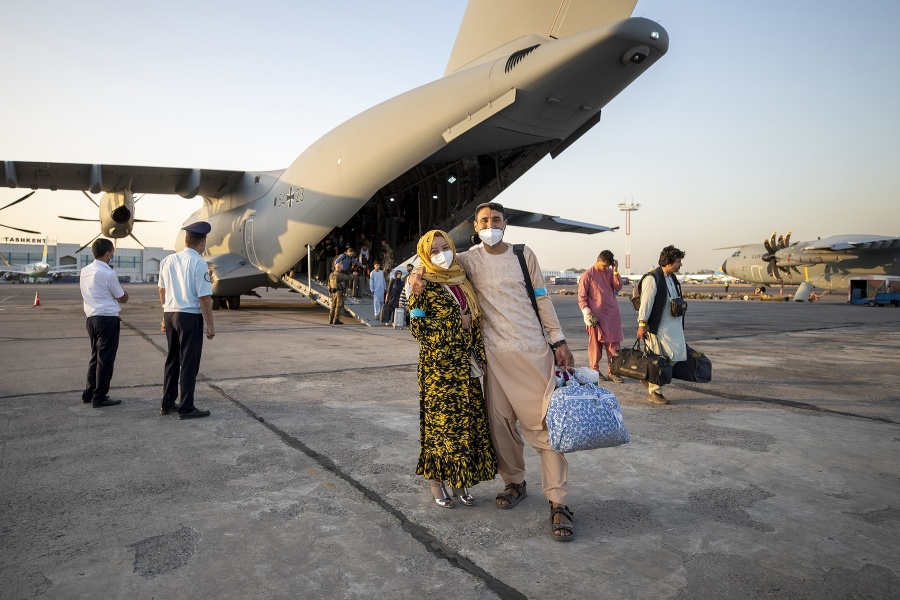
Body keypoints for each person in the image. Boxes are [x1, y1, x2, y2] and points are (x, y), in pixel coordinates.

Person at [410, 202, 576, 541]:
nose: (490, 225)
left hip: (531, 353)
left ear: (505, 223)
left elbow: (542, 298)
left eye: (496, 220)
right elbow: (429, 258)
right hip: (494, 360)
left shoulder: (522, 254)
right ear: (475, 225)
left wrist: (558, 340)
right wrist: (414, 277)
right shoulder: (469, 259)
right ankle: (514, 481)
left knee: (543, 429)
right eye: (484, 221)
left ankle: (558, 502)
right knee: (500, 426)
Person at [408, 230, 497, 508]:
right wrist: (458, 326)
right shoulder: (421, 286)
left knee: (466, 427)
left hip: (466, 369)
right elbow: (418, 329)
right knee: (441, 429)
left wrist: (480, 353)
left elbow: (476, 322)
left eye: (444, 247)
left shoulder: (461, 279)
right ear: (424, 254)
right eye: (433, 251)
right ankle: (436, 482)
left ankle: (460, 482)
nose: (441, 254)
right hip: (439, 371)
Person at [158, 221, 216, 419]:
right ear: (203, 243)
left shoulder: (167, 260)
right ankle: (186, 407)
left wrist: (164, 316)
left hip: (170, 314)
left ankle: (167, 403)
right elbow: (204, 298)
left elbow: (162, 290)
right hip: (189, 317)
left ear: (186, 240)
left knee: (172, 360)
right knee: (189, 363)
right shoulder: (199, 263)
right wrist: (210, 325)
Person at [80, 238, 128, 408]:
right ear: (108, 253)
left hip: (91, 318)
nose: (112, 255)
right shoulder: (108, 273)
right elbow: (121, 296)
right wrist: (125, 295)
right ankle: (100, 396)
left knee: (95, 356)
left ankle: (89, 392)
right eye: (112, 252)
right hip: (107, 319)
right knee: (105, 359)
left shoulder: (84, 271)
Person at [637, 245, 688, 405]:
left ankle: (649, 378)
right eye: (679, 261)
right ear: (670, 261)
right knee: (658, 359)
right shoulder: (653, 279)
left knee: (677, 354)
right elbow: (646, 303)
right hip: (658, 327)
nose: (680, 264)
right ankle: (655, 392)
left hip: (673, 326)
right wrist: (642, 323)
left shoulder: (671, 278)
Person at [578, 250, 624, 383]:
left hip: (612, 315)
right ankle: (594, 371)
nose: (605, 268)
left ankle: (613, 372)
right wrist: (586, 313)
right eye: (604, 265)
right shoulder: (587, 275)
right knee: (595, 346)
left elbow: (618, 286)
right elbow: (581, 298)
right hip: (595, 318)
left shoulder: (610, 272)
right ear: (598, 260)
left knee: (614, 347)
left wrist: (615, 271)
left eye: (608, 266)